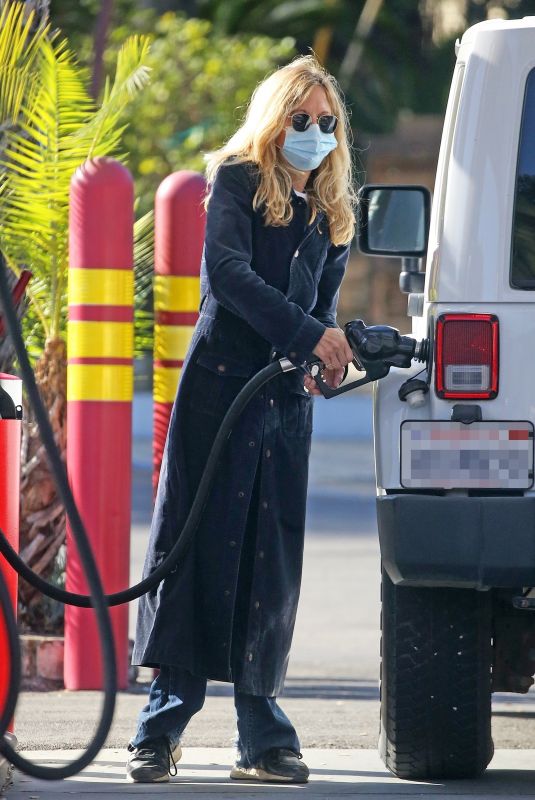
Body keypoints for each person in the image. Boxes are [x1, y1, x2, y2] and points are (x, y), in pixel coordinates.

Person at [126, 54, 356, 785]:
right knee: (193, 549)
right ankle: (160, 728)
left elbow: (319, 309)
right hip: (219, 393)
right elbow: (226, 274)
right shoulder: (234, 182)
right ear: (273, 118)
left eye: (326, 122)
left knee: (268, 560)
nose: (314, 133)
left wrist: (326, 351)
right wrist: (306, 334)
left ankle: (262, 736)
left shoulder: (331, 212)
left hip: (282, 405)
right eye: (301, 119)